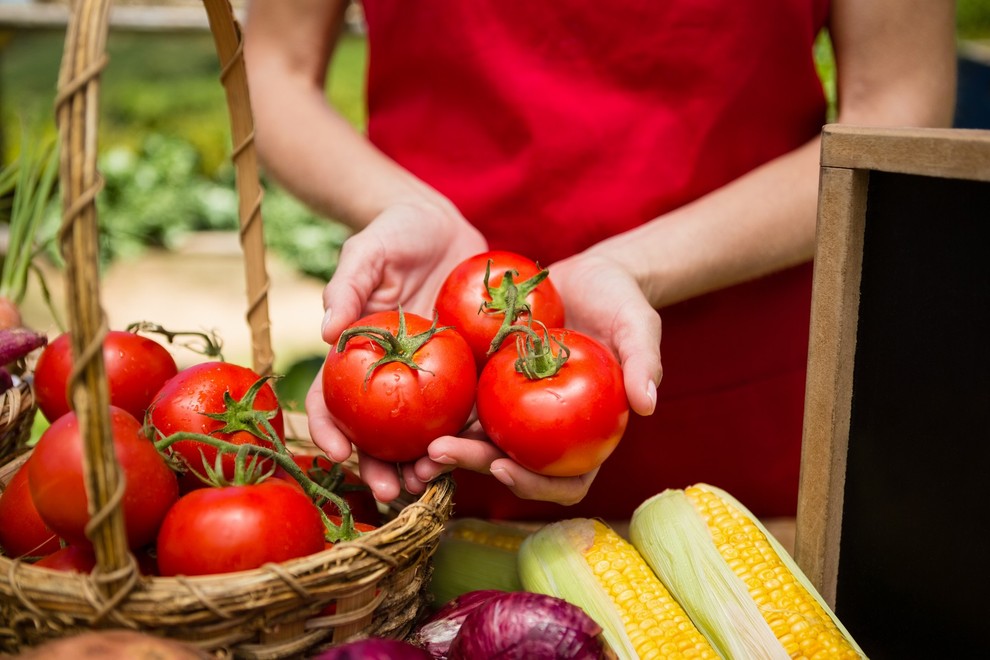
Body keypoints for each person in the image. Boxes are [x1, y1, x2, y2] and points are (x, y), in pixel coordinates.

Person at [242, 0, 956, 521]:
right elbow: (274, 67)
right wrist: (405, 206)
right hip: (435, 371)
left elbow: (899, 105)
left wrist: (639, 264)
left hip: (744, 379)